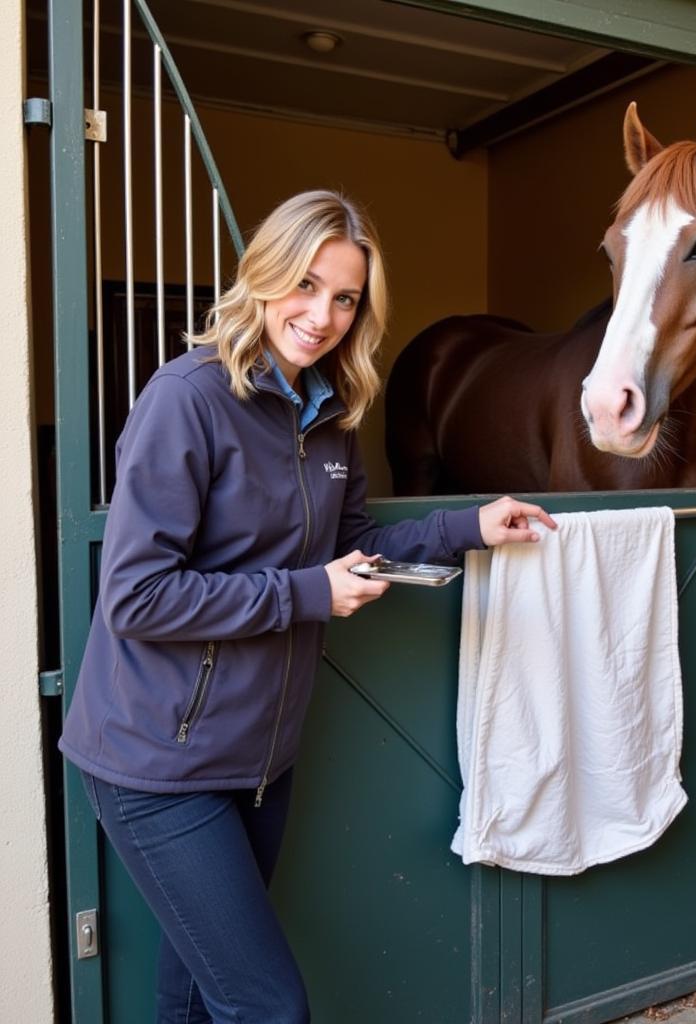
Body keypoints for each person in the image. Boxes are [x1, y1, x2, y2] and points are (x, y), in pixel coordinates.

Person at [59, 189, 556, 1024]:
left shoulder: (332, 416)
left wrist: (471, 524)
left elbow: (355, 544)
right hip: (157, 763)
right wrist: (306, 593)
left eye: (345, 298)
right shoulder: (188, 398)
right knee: (267, 1006)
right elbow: (137, 596)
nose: (321, 315)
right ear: (264, 275)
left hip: (260, 759)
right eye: (305, 284)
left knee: (194, 991)